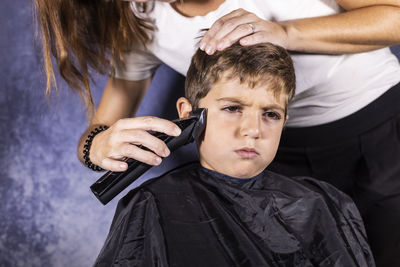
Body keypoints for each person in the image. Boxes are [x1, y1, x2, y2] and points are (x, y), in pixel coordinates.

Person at [33, 0, 400, 265]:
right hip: (273, 150)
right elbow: (98, 130)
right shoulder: (141, 17)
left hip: (382, 129)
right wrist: (99, 146)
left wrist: (285, 32)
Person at [93, 42, 375, 266]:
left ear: (284, 122)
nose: (252, 130)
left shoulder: (323, 204)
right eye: (232, 108)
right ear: (188, 114)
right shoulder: (152, 205)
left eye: (270, 114)